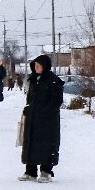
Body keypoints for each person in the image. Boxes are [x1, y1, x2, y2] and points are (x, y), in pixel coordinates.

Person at [20, 53, 64, 183]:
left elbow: (56, 101)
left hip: (47, 121)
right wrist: (28, 108)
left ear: (45, 66)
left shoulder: (53, 80)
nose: (36, 68)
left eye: (39, 66)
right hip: (33, 119)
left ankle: (46, 171)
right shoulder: (34, 80)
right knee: (31, 143)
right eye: (35, 66)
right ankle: (30, 171)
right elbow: (30, 98)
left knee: (46, 144)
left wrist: (45, 112)